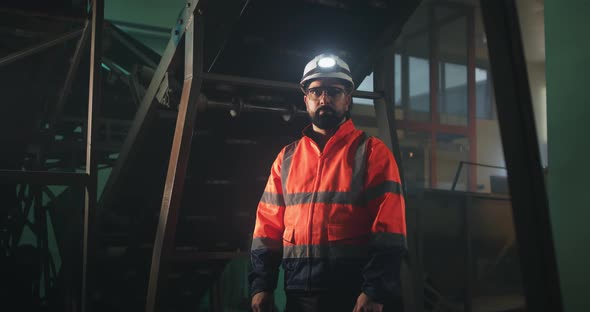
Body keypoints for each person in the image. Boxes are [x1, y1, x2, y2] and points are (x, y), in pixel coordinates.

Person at [249, 53, 407, 312]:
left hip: (355, 296)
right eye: (316, 91)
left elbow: (390, 232)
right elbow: (266, 229)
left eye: (333, 91)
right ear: (306, 100)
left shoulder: (372, 153)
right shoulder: (286, 159)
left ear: (348, 99)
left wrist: (374, 292)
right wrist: (261, 286)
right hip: (299, 295)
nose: (324, 99)